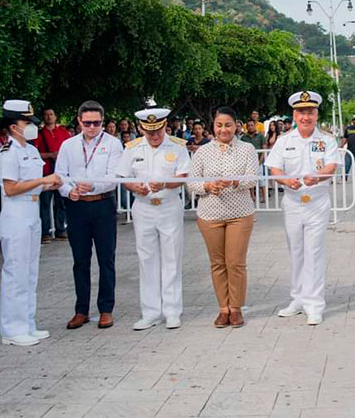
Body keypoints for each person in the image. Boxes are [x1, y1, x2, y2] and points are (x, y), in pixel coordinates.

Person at [265, 91, 339, 325]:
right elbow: (274, 168)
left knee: (314, 251)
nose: (305, 117)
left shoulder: (327, 140)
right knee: (296, 251)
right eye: (301, 113)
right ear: (294, 115)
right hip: (293, 202)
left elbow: (331, 166)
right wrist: (286, 180)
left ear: (316, 115)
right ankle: (297, 299)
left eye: (310, 112)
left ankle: (314, 304)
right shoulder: (284, 140)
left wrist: (317, 177)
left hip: (317, 201)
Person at [0, 100, 62, 346]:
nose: (32, 127)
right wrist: (41, 180)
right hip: (16, 214)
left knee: (30, 271)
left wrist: (49, 184)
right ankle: (12, 329)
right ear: (14, 127)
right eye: (27, 122)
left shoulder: (31, 151)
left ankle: (27, 323)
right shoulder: (8, 152)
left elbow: (36, 183)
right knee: (16, 272)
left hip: (33, 211)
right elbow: (11, 188)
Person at [116, 108, 190, 330]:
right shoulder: (133, 148)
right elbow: (123, 176)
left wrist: (165, 183)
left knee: (171, 258)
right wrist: (133, 186)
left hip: (168, 206)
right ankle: (150, 312)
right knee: (146, 259)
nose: (154, 136)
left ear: (164, 126)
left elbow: (183, 176)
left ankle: (172, 310)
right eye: (149, 132)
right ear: (141, 128)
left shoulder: (177, 146)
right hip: (143, 207)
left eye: (157, 130)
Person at [54, 100, 124, 330]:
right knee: (80, 260)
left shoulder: (113, 144)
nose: (92, 127)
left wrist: (91, 186)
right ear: (79, 121)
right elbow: (60, 174)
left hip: (102, 204)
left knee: (106, 259)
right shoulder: (68, 145)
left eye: (96, 123)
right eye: (87, 123)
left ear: (103, 122)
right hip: (77, 207)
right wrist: (69, 191)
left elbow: (113, 176)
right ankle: (80, 310)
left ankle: (106, 309)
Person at [188, 107, 260, 328]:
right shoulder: (202, 152)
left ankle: (236, 308)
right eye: (219, 125)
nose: (223, 129)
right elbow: (192, 183)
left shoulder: (247, 149)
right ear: (213, 127)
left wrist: (234, 181)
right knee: (217, 263)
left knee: (235, 263)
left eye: (228, 125)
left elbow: (253, 179)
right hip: (210, 215)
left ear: (236, 125)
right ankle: (223, 308)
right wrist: (208, 185)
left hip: (240, 214)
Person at [33, 108, 72, 244]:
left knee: (61, 202)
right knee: (45, 203)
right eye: (46, 114)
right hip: (46, 171)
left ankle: (60, 229)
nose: (49, 117)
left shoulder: (63, 132)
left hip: (60, 172)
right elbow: (34, 153)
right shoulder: (39, 134)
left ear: (55, 116)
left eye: (51, 114)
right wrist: (50, 155)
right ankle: (46, 231)